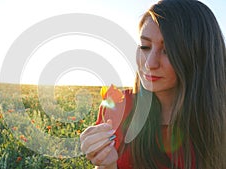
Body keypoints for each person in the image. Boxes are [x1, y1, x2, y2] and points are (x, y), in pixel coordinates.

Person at [80, 0, 226, 168]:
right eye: (145, 46)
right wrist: (106, 164)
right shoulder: (118, 105)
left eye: (168, 50)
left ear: (200, 55)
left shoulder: (217, 119)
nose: (150, 63)